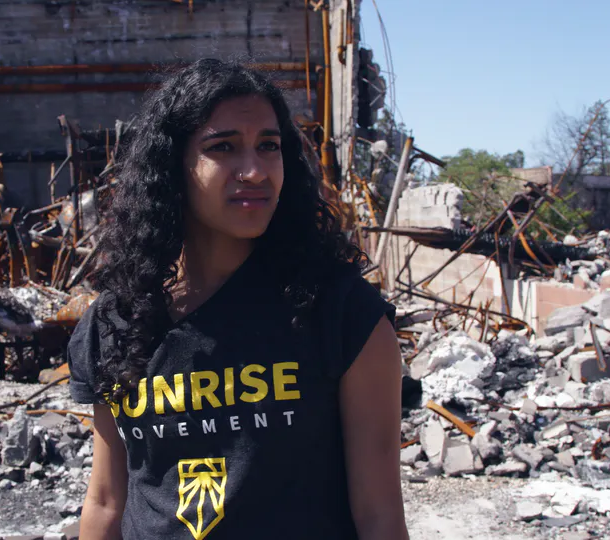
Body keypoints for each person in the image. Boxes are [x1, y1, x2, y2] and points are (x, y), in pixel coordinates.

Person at [66, 59, 408, 540]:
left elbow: (380, 517)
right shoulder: (117, 323)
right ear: (173, 165)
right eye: (223, 147)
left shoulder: (341, 315)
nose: (254, 170)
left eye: (268, 146)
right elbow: (105, 502)